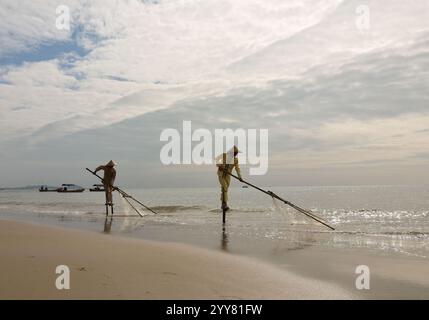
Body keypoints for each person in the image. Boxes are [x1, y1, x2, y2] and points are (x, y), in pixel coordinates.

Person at [216, 146, 243, 212]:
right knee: (224, 187)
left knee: (225, 189)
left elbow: (237, 169)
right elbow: (216, 159)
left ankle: (224, 203)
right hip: (221, 174)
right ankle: (224, 204)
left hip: (228, 176)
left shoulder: (235, 160)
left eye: (236, 153)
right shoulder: (224, 155)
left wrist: (240, 177)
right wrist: (219, 165)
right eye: (235, 153)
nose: (235, 154)